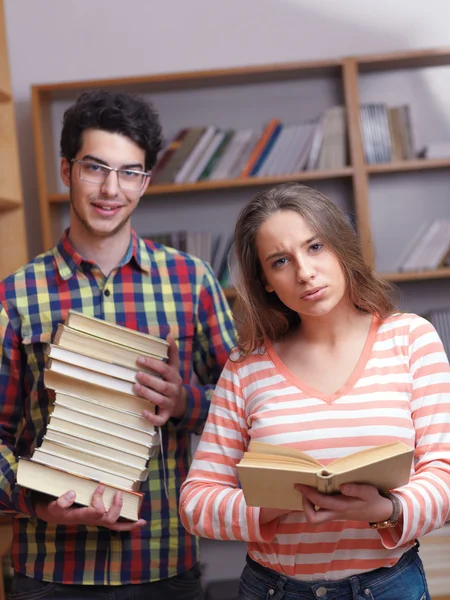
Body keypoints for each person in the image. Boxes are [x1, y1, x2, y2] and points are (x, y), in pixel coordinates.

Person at [0, 89, 236, 599]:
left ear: (147, 180)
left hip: (165, 566)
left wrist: (183, 402)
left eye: (130, 172)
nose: (112, 189)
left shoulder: (191, 281)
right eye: (95, 168)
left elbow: (251, 411)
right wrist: (39, 505)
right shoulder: (14, 296)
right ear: (66, 170)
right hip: (50, 573)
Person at [179, 182, 450, 600]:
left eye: (316, 247)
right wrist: (273, 505)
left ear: (341, 248)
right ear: (266, 281)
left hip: (389, 586)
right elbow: (195, 503)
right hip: (274, 590)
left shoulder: (411, 339)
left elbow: (444, 475)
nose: (304, 272)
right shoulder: (245, 366)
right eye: (280, 261)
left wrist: (388, 511)